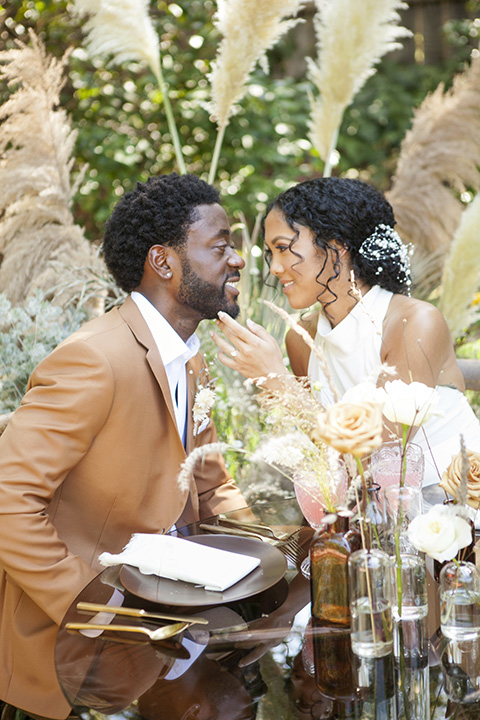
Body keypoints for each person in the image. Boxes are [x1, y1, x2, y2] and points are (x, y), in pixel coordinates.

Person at [0, 172, 249, 720]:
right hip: (75, 661)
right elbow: (8, 501)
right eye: (221, 245)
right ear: (164, 262)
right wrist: (95, 607)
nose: (238, 260)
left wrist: (267, 556)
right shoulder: (94, 358)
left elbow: (210, 483)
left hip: (165, 634)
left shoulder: (191, 355)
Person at [211, 176, 480, 486]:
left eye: (284, 248)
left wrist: (279, 381)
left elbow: (379, 462)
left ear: (336, 248)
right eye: (272, 252)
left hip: (455, 510)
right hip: (372, 518)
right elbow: (328, 455)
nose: (274, 267)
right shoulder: (301, 339)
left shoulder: (414, 323)